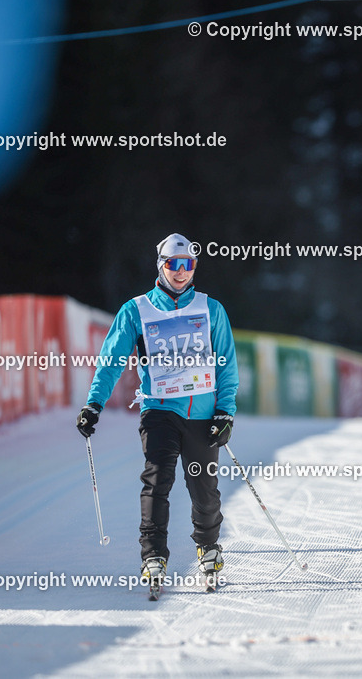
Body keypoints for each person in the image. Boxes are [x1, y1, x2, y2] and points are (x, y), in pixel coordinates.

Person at [76, 233, 239, 585]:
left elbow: (227, 365)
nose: (180, 272)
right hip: (160, 410)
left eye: (188, 265)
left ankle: (209, 548)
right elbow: (111, 360)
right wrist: (94, 404)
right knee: (156, 481)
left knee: (203, 489)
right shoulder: (136, 310)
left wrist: (225, 412)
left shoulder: (211, 309)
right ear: (160, 266)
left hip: (203, 414)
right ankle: (153, 556)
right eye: (173, 264)